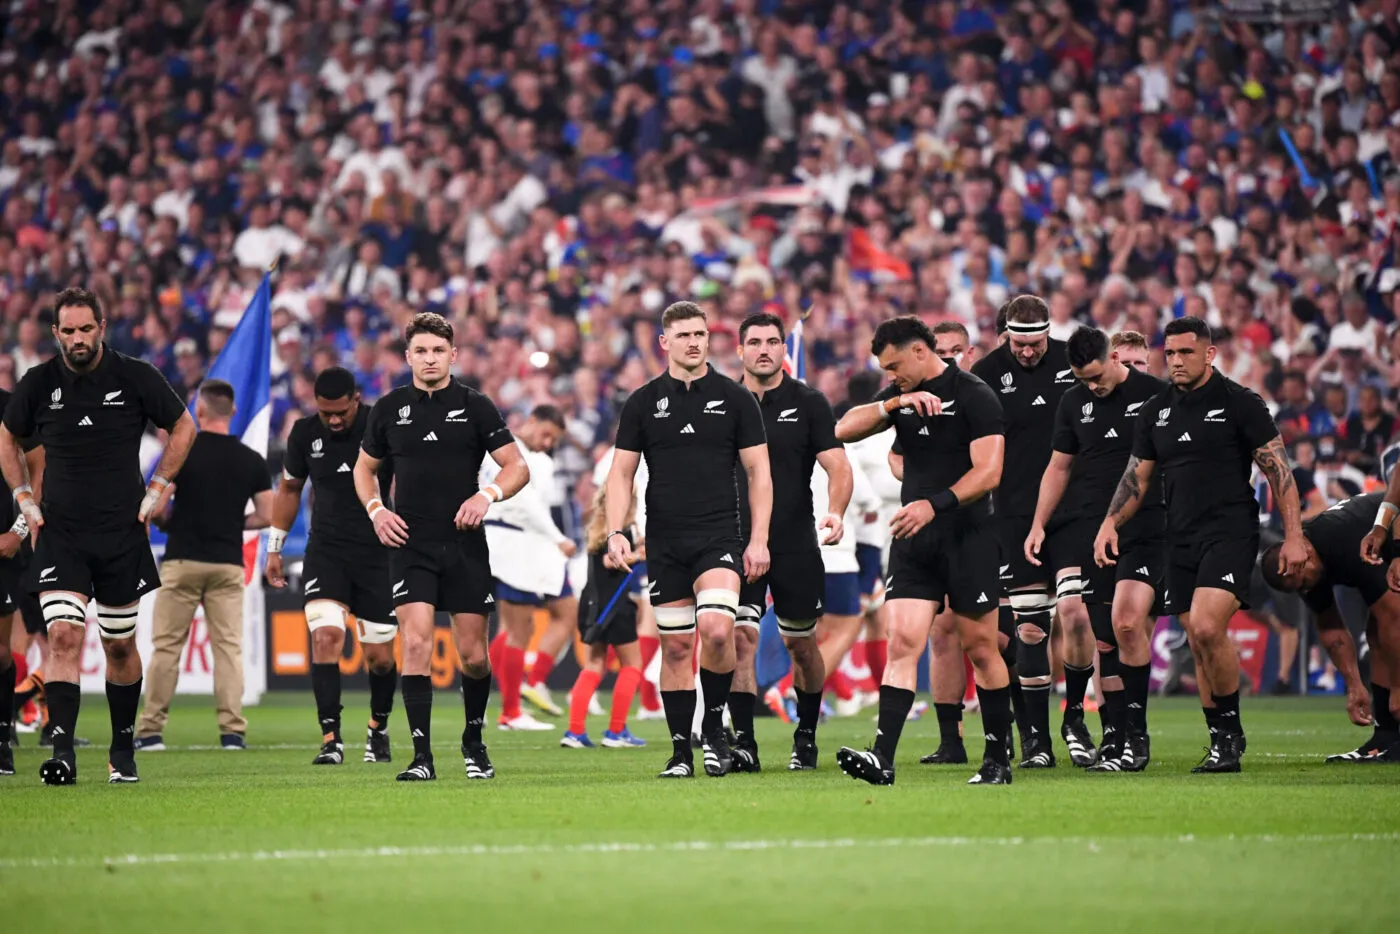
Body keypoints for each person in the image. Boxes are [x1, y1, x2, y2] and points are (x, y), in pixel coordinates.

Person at [0, 286, 196, 785]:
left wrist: (158, 487)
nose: (77, 338)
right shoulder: (38, 383)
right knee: (64, 636)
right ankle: (62, 752)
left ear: (101, 328)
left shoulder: (135, 376)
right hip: (61, 533)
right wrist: (24, 496)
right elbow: (8, 436)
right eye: (68, 330)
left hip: (121, 534)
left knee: (119, 648)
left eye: (86, 328)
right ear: (55, 333)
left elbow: (184, 426)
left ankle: (122, 748)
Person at [1094, 316, 1306, 773]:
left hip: (1230, 532)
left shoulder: (1240, 403)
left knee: (1208, 627)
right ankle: (1220, 739)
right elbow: (1138, 476)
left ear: (1209, 354)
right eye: (1169, 353)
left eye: (1185, 353)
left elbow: (1279, 471)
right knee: (1197, 637)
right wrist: (1110, 523)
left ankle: (1229, 734)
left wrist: (1294, 536)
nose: (1175, 362)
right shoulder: (1156, 410)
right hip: (1179, 536)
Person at [833, 316, 1014, 786]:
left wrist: (933, 506)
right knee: (903, 642)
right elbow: (843, 429)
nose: (892, 374)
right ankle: (882, 758)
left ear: (920, 350)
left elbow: (989, 471)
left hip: (968, 538)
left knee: (980, 647)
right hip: (916, 539)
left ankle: (997, 758)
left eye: (895, 365)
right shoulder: (900, 396)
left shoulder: (975, 395)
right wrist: (894, 402)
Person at [354, 312, 530, 782]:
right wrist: (376, 510)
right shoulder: (389, 409)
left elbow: (517, 467)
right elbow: (363, 469)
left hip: (465, 544)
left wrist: (486, 494)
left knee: (473, 655)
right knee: (414, 642)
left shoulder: (476, 406)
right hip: (409, 543)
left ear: (453, 355)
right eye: (421, 351)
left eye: (438, 351)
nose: (430, 358)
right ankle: (421, 757)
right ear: (408, 356)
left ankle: (473, 741)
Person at [604, 301, 771, 779]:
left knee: (718, 631)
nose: (694, 342)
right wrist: (618, 530)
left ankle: (714, 730)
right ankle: (680, 751)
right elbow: (621, 473)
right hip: (665, 541)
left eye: (700, 334)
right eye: (684, 335)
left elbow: (759, 472)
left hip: (720, 535)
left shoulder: (736, 398)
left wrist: (757, 539)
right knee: (676, 648)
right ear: (665, 342)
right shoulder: (641, 402)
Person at [1026, 328, 1167, 772]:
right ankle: (1111, 732)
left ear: (1114, 357)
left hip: (1143, 525)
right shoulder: (1074, 402)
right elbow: (1059, 466)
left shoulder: (1155, 396)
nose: (1092, 386)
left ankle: (1131, 735)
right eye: (1082, 379)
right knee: (1103, 631)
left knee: (1126, 626)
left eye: (1096, 376)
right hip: (1087, 527)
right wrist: (1038, 524)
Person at [971, 295, 1090, 768]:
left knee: (1077, 612)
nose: (1026, 352)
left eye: (1035, 342)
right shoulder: (984, 372)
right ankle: (1037, 742)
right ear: (1006, 335)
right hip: (1014, 515)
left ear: (1048, 332)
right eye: (1018, 343)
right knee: (1030, 629)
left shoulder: (1073, 361)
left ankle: (1076, 716)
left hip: (1074, 511)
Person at [731, 311, 851, 772]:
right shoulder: (721, 401)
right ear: (740, 350)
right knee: (741, 638)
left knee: (801, 644)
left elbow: (838, 467)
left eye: (772, 342)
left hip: (795, 539)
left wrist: (835, 512)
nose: (764, 349)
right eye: (755, 342)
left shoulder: (809, 402)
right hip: (735, 542)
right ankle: (744, 743)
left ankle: (806, 736)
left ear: (785, 349)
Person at [265, 366, 399, 766]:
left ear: (356, 399)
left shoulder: (382, 424)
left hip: (379, 554)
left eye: (341, 412)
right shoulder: (305, 433)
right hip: (326, 552)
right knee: (325, 638)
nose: (335, 420)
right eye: (327, 414)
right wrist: (274, 547)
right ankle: (331, 739)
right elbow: (289, 488)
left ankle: (378, 730)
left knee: (381, 658)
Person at [135, 380, 274, 749]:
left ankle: (150, 732)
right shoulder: (250, 460)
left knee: (167, 648)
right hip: (227, 564)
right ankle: (232, 732)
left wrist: (166, 520)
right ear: (233, 413)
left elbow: (158, 506)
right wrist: (234, 523)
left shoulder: (183, 453)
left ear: (199, 412)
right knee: (228, 648)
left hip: (182, 560)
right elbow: (268, 513)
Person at [1259, 491, 1393, 761]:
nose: (1307, 588)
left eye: (1304, 582)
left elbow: (1394, 619)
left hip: (1387, 531)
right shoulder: (1300, 570)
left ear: (1306, 555)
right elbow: (1331, 629)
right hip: (1380, 544)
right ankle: (1386, 737)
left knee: (1385, 624)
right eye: (1300, 588)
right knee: (1376, 632)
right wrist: (1354, 686)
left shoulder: (1341, 539)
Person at [483, 404, 576, 732]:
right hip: (514, 544)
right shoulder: (514, 454)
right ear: (531, 421)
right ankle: (511, 711)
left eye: (554, 439)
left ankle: (501, 701)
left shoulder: (510, 451)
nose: (548, 442)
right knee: (517, 631)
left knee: (510, 630)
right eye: (546, 434)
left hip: (512, 543)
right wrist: (558, 538)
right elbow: (525, 504)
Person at [921, 320, 984, 764]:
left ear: (971, 352)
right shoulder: (919, 403)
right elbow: (895, 458)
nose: (948, 358)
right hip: (939, 527)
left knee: (996, 639)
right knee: (942, 631)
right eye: (940, 351)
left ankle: (1023, 733)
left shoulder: (983, 398)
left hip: (990, 526)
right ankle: (951, 740)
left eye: (956, 350)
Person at [560, 484, 647, 749]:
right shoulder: (624, 530)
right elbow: (613, 561)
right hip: (615, 606)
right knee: (632, 666)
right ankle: (616, 731)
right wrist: (642, 553)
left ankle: (574, 732)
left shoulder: (594, 528)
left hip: (591, 604)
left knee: (593, 666)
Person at [0, 388, 42, 777]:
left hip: (6, 548)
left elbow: (39, 466)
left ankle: (3, 737)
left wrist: (17, 529)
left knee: (4, 649)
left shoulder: (10, 406)